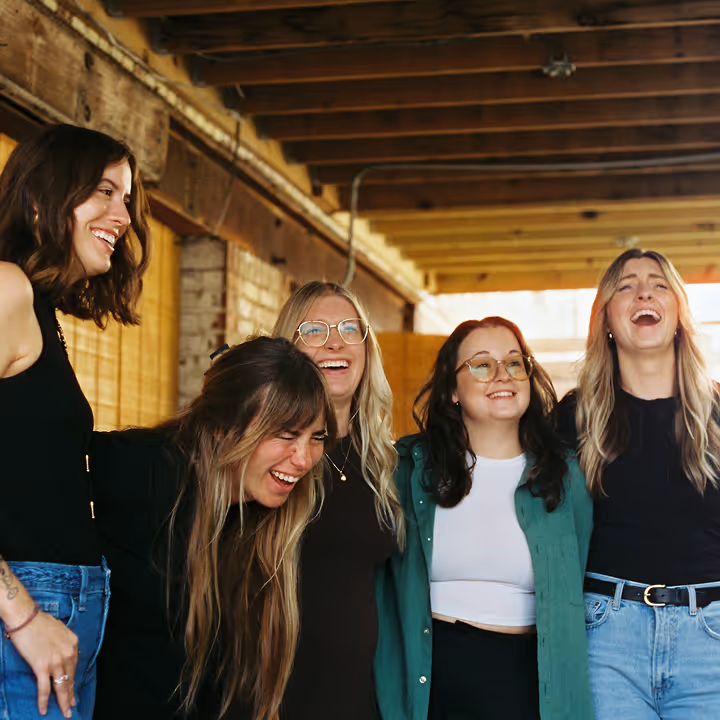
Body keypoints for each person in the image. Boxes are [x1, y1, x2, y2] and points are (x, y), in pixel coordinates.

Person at [91, 336, 337, 720]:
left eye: (315, 437)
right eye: (286, 435)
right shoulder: (138, 468)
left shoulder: (260, 516)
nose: (304, 459)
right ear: (223, 425)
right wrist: (20, 610)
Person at [0, 123, 150, 719]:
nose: (125, 214)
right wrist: (23, 614)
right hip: (26, 618)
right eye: (105, 191)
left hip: (63, 611)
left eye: (128, 197)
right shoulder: (6, 288)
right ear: (41, 197)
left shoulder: (40, 312)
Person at [375, 317, 594, 720]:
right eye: (481, 365)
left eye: (514, 362)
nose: (502, 375)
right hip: (428, 680)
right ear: (452, 390)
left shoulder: (565, 478)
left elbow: (579, 578)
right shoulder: (409, 469)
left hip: (523, 683)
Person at [558, 248, 720, 720]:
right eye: (625, 285)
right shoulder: (573, 417)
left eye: (658, 283)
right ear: (606, 317)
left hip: (710, 636)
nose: (643, 291)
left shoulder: (717, 416)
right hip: (606, 636)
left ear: (679, 315)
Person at [272, 281, 404, 720]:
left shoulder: (386, 462)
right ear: (286, 348)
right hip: (275, 691)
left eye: (350, 328)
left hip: (361, 695)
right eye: (314, 330)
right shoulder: (263, 453)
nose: (335, 341)